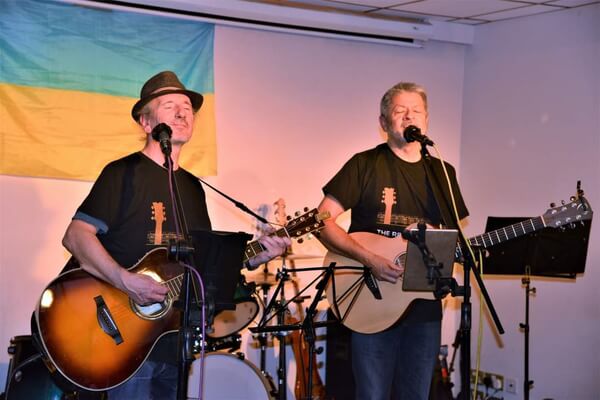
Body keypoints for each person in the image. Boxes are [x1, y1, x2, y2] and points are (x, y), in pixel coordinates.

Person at [61, 71, 291, 399]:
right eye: (169, 106)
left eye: (187, 107)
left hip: (173, 339)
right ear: (145, 122)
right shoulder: (122, 173)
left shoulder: (193, 188)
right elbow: (76, 236)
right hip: (124, 339)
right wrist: (125, 280)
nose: (183, 112)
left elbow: (203, 266)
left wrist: (258, 255)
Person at [317, 82, 469, 400]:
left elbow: (452, 238)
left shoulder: (442, 172)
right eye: (400, 111)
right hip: (372, 302)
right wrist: (371, 259)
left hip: (424, 306)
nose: (408, 116)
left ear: (426, 120)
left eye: (416, 111)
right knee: (372, 395)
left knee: (416, 395)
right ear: (384, 122)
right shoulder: (365, 164)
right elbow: (323, 222)